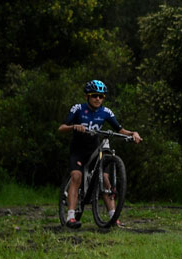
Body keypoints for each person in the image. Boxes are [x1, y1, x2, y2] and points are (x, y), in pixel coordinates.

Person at [57, 80, 142, 228]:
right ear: (87, 97)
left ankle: (113, 218)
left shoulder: (106, 112)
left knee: (105, 179)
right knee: (76, 177)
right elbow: (61, 128)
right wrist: (73, 127)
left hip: (94, 149)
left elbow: (120, 130)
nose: (98, 99)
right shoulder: (78, 108)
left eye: (101, 96)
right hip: (78, 150)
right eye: (95, 95)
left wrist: (133, 133)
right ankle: (70, 217)